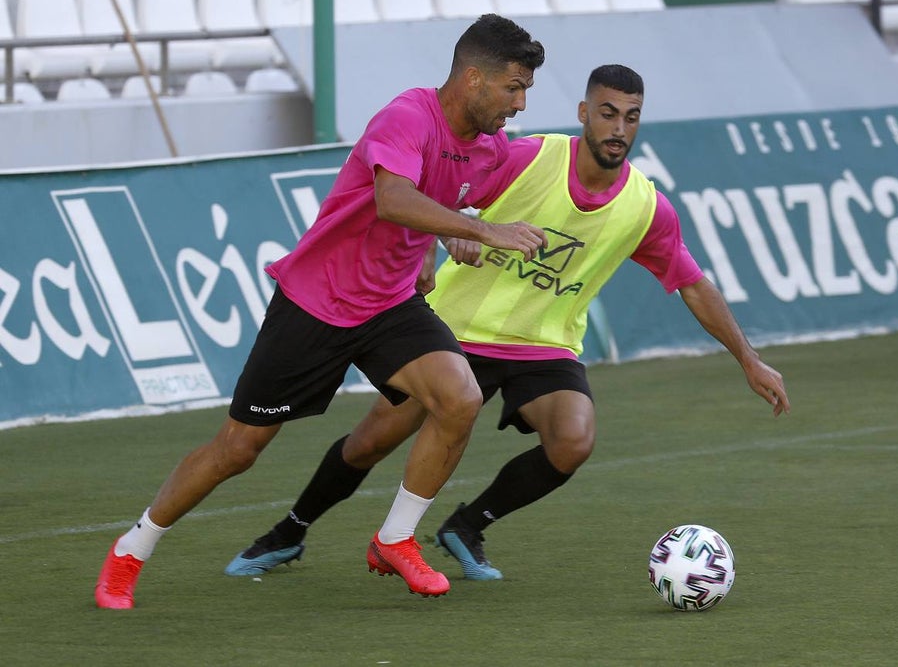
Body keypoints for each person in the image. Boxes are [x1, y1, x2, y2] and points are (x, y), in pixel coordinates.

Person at [224, 64, 790, 582]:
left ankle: (466, 526)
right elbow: (434, 192)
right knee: (371, 443)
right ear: (584, 114)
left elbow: (692, 282)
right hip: (455, 330)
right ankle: (291, 529)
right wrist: (444, 238)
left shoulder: (646, 207)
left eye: (632, 117)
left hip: (544, 347)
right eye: (609, 113)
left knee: (574, 440)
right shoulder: (528, 158)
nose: (619, 128)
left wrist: (747, 357)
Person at [93, 14, 548, 609]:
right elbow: (394, 198)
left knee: (458, 397)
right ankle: (131, 549)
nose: (519, 103)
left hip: (389, 306)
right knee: (237, 451)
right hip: (316, 302)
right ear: (471, 78)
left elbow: (443, 202)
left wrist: (445, 242)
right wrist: (480, 230)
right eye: (513, 87)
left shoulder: (491, 149)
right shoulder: (408, 115)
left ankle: (395, 538)